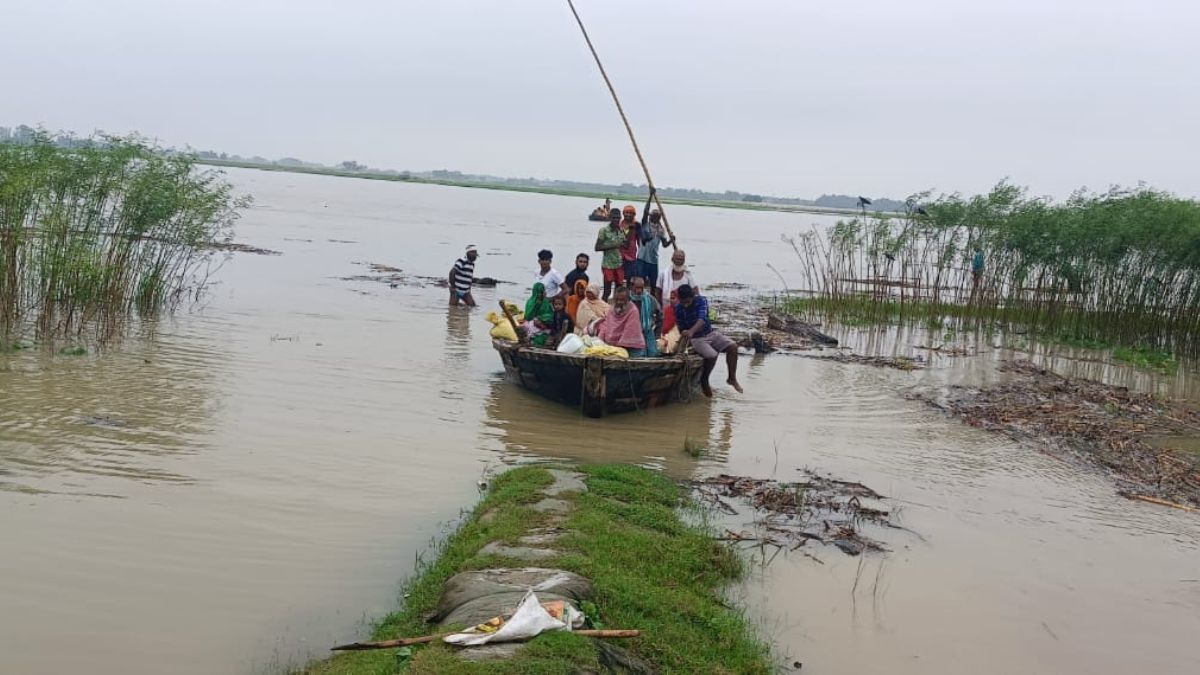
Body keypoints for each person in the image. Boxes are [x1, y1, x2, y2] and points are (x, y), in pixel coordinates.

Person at [674, 284, 741, 396]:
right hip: (696, 339)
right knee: (712, 355)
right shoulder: (678, 308)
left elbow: (702, 319)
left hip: (709, 333)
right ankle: (705, 379)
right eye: (683, 302)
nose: (685, 305)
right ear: (680, 300)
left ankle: (731, 378)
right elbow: (681, 326)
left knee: (733, 347)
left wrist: (691, 330)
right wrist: (685, 332)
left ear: (692, 297)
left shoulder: (701, 300)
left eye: (687, 302)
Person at [591, 285, 646, 356]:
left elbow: (628, 332)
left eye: (622, 300)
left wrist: (616, 349)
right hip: (614, 348)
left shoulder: (633, 311)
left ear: (628, 299)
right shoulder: (611, 310)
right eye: (617, 299)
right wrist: (600, 342)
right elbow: (606, 327)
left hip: (633, 349)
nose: (619, 302)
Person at [636, 190, 673, 294]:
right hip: (642, 259)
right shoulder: (645, 224)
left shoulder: (661, 229)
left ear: (660, 218)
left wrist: (671, 240)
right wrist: (650, 197)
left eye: (657, 216)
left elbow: (665, 245)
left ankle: (653, 302)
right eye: (653, 215)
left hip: (653, 260)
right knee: (639, 282)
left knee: (653, 284)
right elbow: (645, 211)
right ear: (650, 216)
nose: (655, 217)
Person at [595, 209, 626, 300]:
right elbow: (597, 247)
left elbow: (624, 244)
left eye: (618, 218)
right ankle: (603, 310)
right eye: (614, 218)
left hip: (619, 264)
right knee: (607, 291)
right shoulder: (604, 231)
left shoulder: (621, 231)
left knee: (618, 290)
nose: (616, 220)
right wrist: (614, 245)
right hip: (608, 265)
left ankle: (616, 310)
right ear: (609, 218)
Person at [628, 276, 662, 357]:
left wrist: (657, 333)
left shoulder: (650, 299)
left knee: (653, 353)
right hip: (633, 332)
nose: (639, 290)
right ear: (631, 286)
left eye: (641, 288)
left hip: (648, 330)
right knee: (640, 355)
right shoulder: (627, 299)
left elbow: (660, 315)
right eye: (637, 288)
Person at [524, 282, 555, 346]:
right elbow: (528, 316)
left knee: (544, 337)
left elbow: (551, 315)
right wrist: (536, 305)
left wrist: (541, 321)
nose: (540, 295)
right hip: (532, 324)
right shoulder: (530, 302)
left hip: (544, 325)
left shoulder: (547, 302)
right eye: (538, 292)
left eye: (541, 292)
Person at [619, 204, 640, 283]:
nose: (628, 214)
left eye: (631, 213)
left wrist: (639, 256)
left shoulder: (637, 225)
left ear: (634, 214)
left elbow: (639, 241)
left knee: (630, 279)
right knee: (619, 278)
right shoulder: (619, 225)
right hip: (619, 255)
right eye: (626, 212)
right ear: (623, 213)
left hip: (631, 255)